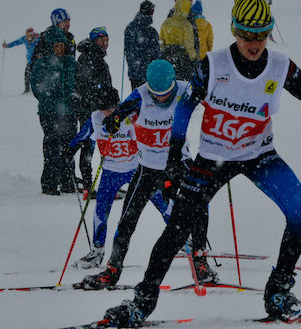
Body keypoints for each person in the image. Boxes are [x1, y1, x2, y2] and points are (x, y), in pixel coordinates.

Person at [99, 0, 301, 327]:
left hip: (260, 156)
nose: (253, 43)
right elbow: (184, 108)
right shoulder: (214, 65)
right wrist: (172, 164)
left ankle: (279, 294)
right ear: (234, 31)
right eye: (245, 35)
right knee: (177, 228)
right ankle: (141, 303)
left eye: (260, 35)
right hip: (212, 159)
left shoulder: (281, 67)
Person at [76, 60, 214, 289]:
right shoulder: (139, 95)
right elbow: (117, 114)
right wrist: (112, 122)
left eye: (165, 94)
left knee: (201, 203)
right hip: (147, 168)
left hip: (178, 163)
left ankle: (200, 260)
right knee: (127, 219)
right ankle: (112, 269)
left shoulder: (185, 89)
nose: (160, 98)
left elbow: (216, 103)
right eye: (155, 94)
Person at [68, 86, 174, 268]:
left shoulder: (130, 117)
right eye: (104, 109)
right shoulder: (95, 118)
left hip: (135, 169)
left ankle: (182, 240)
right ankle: (97, 250)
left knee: (162, 202)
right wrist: (69, 150)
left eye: (111, 108)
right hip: (109, 172)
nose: (108, 113)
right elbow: (82, 137)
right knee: (101, 210)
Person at [30, 26, 78, 194]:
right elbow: (36, 87)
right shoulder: (41, 64)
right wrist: (49, 100)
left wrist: (74, 98)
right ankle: (49, 183)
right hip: (49, 112)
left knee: (70, 146)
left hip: (69, 112)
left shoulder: (71, 63)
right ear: (50, 46)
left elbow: (77, 84)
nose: (59, 49)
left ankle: (68, 181)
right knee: (52, 147)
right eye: (56, 46)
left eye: (61, 45)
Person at [73, 27, 114, 190]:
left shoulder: (97, 57)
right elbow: (85, 86)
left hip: (98, 108)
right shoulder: (88, 58)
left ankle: (93, 183)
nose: (105, 44)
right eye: (101, 40)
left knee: (93, 143)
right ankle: (88, 185)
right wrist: (99, 99)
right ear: (94, 41)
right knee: (87, 144)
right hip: (88, 109)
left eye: (106, 40)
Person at [160, 0, 198, 81]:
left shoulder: (169, 18)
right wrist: (194, 58)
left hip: (169, 58)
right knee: (184, 89)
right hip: (184, 61)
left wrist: (164, 53)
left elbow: (162, 39)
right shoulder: (188, 19)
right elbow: (189, 42)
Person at [124, 0, 161, 90]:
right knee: (148, 102)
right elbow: (156, 54)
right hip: (148, 74)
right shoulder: (151, 31)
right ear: (151, 12)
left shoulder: (130, 28)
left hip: (134, 73)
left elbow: (127, 50)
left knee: (136, 99)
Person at [3, 27, 40, 94]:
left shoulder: (38, 38)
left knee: (37, 74)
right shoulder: (25, 39)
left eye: (30, 35)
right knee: (27, 74)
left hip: (38, 60)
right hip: (30, 60)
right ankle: (27, 89)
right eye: (27, 35)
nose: (28, 37)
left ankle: (38, 88)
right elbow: (17, 42)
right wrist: (7, 46)